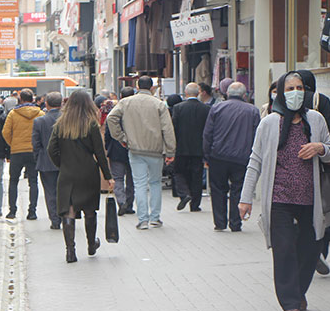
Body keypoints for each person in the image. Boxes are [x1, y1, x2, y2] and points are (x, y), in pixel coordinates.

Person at [238, 71, 330, 311]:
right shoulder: (269, 123)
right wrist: (245, 198)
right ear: (281, 93)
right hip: (279, 198)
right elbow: (255, 160)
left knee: (310, 248)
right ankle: (290, 302)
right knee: (283, 250)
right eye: (290, 88)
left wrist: (320, 148)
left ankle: (299, 290)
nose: (295, 93)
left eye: (300, 88)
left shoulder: (315, 120)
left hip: (311, 199)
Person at [48, 91, 113, 262]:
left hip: (67, 173)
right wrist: (108, 176)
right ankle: (91, 244)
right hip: (88, 172)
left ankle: (70, 251)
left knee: (68, 210)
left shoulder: (60, 124)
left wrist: (61, 164)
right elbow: (100, 152)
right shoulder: (91, 124)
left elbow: (51, 149)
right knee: (89, 210)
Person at [107, 76, 176, 230]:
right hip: (156, 150)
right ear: (152, 88)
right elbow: (168, 129)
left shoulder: (126, 102)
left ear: (137, 86)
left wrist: (121, 137)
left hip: (135, 149)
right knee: (155, 183)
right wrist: (170, 150)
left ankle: (143, 219)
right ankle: (155, 218)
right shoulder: (159, 104)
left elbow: (111, 118)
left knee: (139, 184)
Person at [297, 69, 330, 275]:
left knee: (297, 211)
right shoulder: (319, 100)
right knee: (322, 210)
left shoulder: (284, 99)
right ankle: (318, 252)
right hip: (319, 163)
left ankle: (300, 250)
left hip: (294, 164)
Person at [202, 82, 260, 232]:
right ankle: (235, 222)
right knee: (238, 189)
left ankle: (220, 222)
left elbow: (208, 134)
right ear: (244, 95)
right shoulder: (253, 111)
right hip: (242, 157)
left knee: (217, 189)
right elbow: (256, 137)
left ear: (227, 93)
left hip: (218, 156)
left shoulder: (216, 108)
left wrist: (207, 156)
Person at [2, 88, 44, 220]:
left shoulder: (13, 114)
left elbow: (5, 132)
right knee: (33, 181)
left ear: (20, 99)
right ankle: (32, 211)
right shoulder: (40, 113)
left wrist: (13, 143)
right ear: (32, 99)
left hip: (17, 151)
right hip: (33, 151)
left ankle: (12, 211)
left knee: (13, 181)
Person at [171, 83, 211, 212]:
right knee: (197, 176)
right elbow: (208, 130)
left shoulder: (178, 108)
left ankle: (184, 193)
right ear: (199, 93)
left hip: (181, 148)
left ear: (186, 93)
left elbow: (174, 128)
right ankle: (195, 204)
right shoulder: (205, 109)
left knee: (179, 172)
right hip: (199, 148)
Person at [32, 91, 62, 229]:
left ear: (47, 104)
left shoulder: (40, 121)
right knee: (64, 190)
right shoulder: (67, 119)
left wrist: (38, 158)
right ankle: (66, 216)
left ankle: (55, 220)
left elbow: (36, 143)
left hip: (46, 161)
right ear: (61, 104)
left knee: (50, 192)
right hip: (66, 162)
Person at [105, 87, 135, 216]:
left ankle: (121, 203)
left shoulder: (114, 112)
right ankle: (129, 205)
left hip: (116, 150)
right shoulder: (136, 112)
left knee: (118, 178)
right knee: (132, 179)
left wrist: (108, 146)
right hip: (133, 149)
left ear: (120, 96)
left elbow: (108, 132)